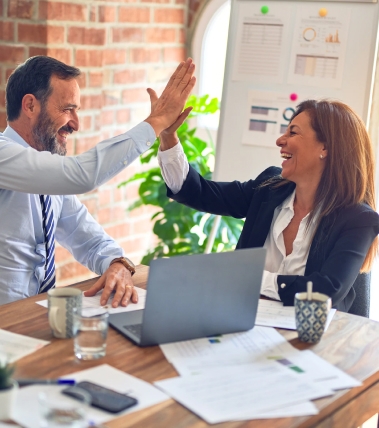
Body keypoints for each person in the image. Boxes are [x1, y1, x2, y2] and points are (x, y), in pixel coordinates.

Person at [0, 55, 195, 306]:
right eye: (67, 109)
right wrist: (155, 122)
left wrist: (117, 263)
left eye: (76, 110)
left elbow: (87, 238)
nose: (76, 124)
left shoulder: (47, 177)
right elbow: (82, 175)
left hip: (34, 315)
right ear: (29, 106)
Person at [157, 99, 379, 312]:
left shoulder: (358, 219)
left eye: (293, 132)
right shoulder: (268, 188)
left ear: (325, 148)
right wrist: (168, 137)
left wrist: (249, 278)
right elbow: (198, 192)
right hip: (244, 324)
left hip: (314, 341)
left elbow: (325, 291)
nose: (280, 140)